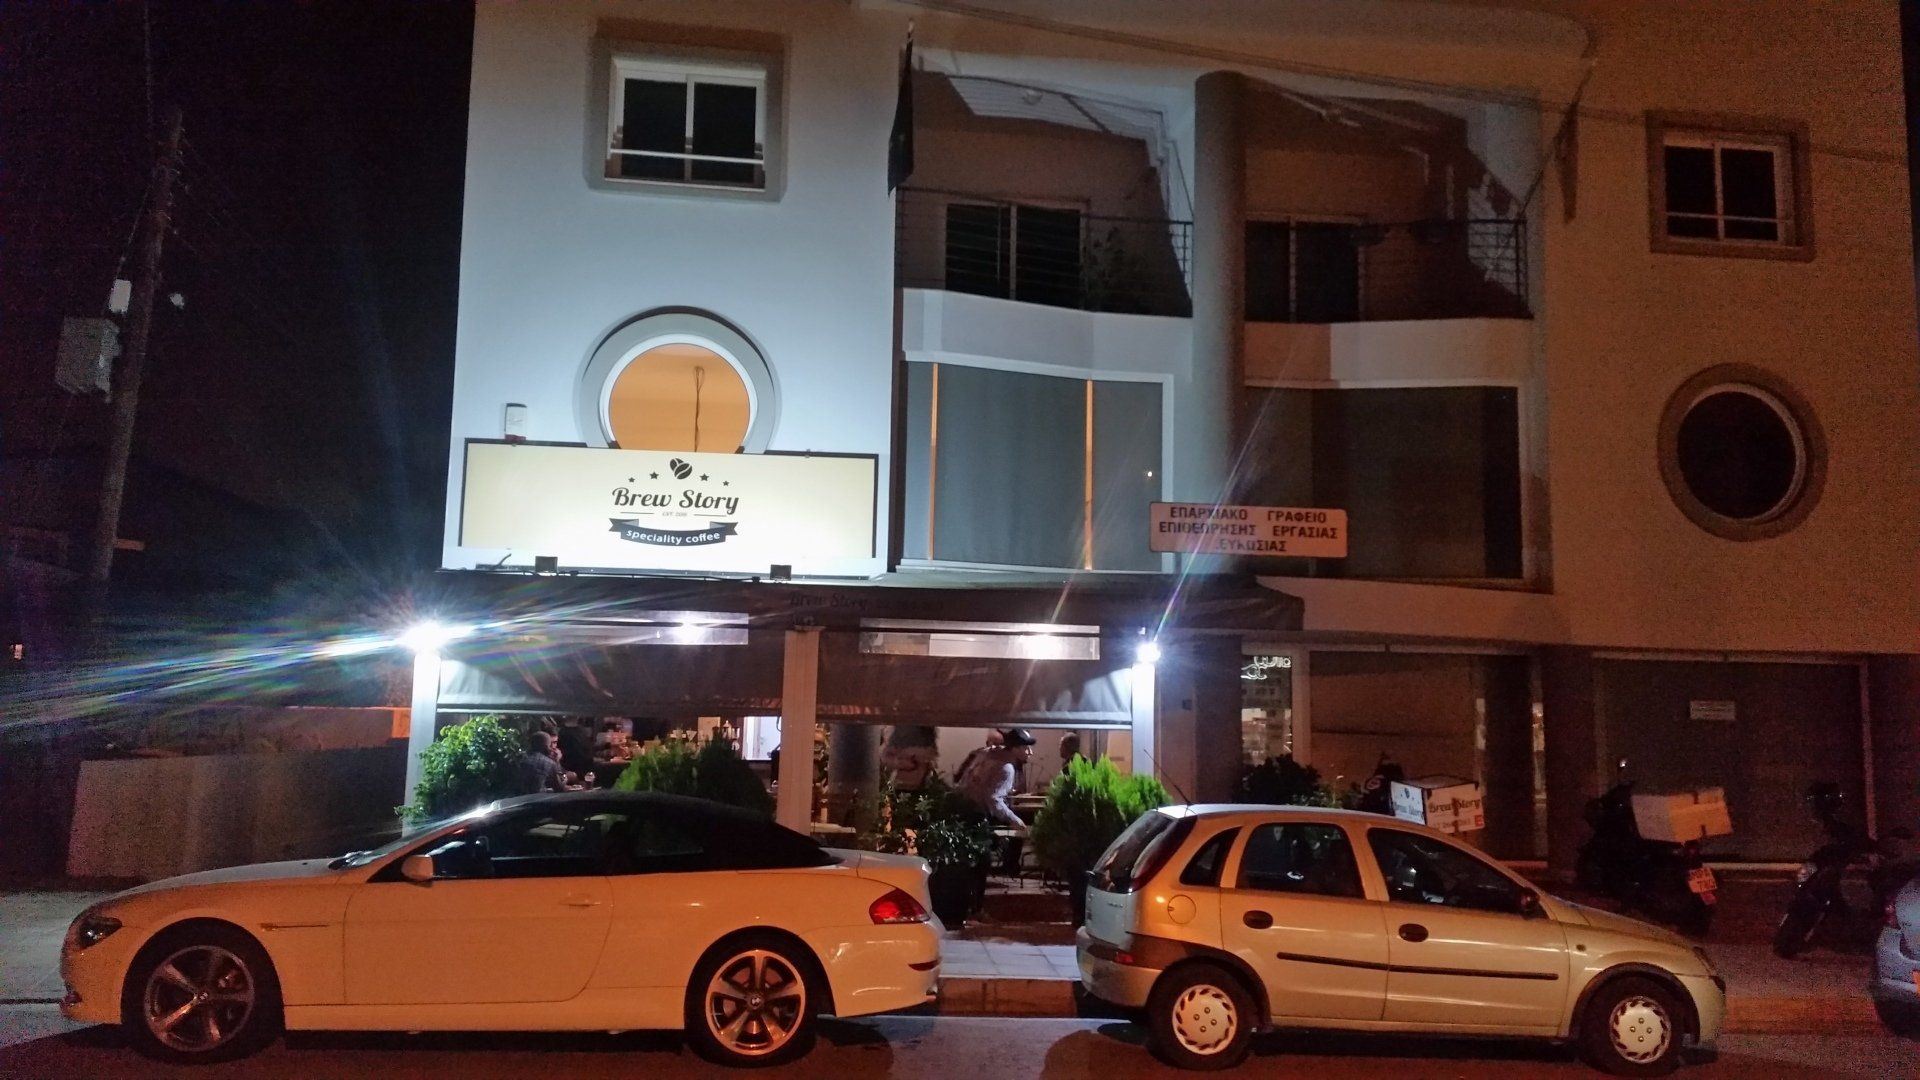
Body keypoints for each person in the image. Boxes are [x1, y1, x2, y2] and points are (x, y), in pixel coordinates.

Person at [959, 728, 1035, 831]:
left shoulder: (986, 753)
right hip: (978, 819)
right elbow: (994, 799)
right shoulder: (1006, 768)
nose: (1030, 752)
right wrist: (1014, 820)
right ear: (1015, 748)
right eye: (1026, 748)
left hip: (963, 811)